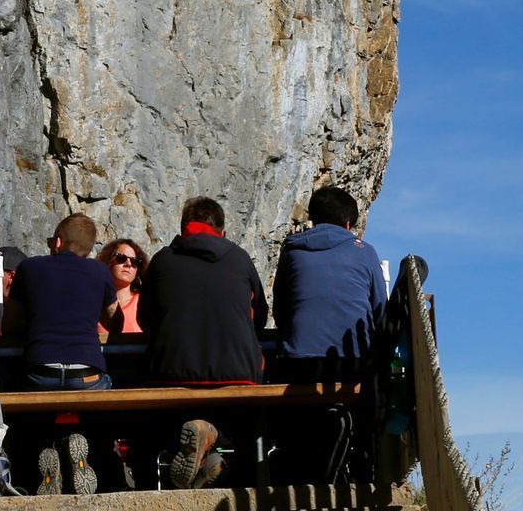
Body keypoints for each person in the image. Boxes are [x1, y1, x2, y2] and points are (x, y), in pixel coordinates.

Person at [142, 197, 269, 489]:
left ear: (183, 227)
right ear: (221, 231)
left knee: (159, 416)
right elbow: (259, 317)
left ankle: (200, 450)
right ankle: (217, 451)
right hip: (239, 374)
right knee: (244, 425)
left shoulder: (162, 259)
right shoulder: (239, 258)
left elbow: (146, 319)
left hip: (171, 374)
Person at [6, 214, 119, 496]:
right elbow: (115, 322)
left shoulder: (30, 268)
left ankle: (44, 453)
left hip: (41, 370)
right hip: (87, 372)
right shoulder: (99, 272)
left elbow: (8, 325)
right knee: (102, 405)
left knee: (28, 408)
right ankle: (90, 454)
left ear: (57, 241)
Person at [274, 185, 388, 372]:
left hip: (297, 361)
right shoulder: (365, 252)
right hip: (353, 359)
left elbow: (281, 309)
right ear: (348, 224)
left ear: (312, 218)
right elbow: (380, 309)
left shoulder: (292, 251)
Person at [97, 238, 148, 336]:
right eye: (121, 258)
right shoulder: (94, 303)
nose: (128, 264)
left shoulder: (145, 302)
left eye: (135, 261)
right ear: (108, 262)